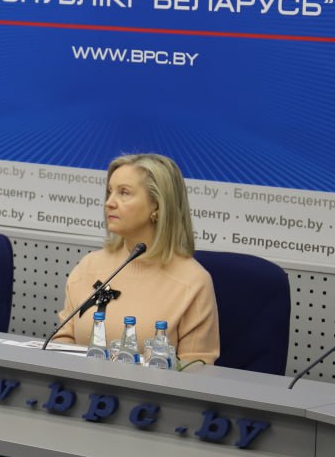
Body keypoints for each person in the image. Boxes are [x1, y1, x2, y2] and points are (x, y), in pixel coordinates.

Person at [53, 153, 219, 366]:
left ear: (157, 205)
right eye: (110, 192)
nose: (109, 203)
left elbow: (195, 368)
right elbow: (63, 340)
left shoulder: (193, 282)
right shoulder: (89, 266)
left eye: (124, 193)